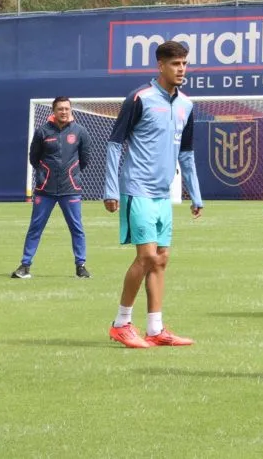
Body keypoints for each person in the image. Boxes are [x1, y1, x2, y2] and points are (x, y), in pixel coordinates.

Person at [103, 40, 204, 349]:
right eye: (176, 64)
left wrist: (195, 194)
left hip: (163, 195)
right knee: (146, 256)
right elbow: (114, 143)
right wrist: (110, 188)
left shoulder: (187, 105)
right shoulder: (139, 98)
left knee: (161, 259)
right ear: (160, 66)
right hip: (138, 188)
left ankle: (156, 329)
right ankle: (121, 323)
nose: (182, 69)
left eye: (185, 63)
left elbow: (186, 154)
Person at [12, 97, 92, 279]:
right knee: (35, 227)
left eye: (66, 109)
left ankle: (81, 266)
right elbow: (34, 158)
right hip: (45, 190)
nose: (63, 112)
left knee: (76, 228)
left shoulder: (80, 132)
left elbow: (84, 159)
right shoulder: (42, 131)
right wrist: (44, 174)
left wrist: (71, 174)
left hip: (70, 189)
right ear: (53, 111)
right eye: (60, 109)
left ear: (71, 110)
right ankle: (25, 266)